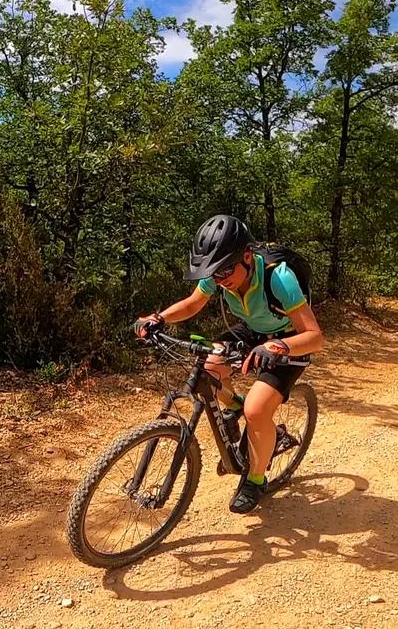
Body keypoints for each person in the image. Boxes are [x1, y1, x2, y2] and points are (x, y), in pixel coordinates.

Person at [134, 215, 323, 514]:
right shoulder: (219, 271)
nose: (219, 279)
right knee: (210, 368)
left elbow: (314, 336)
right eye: (214, 273)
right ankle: (234, 406)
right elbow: (193, 303)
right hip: (253, 330)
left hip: (289, 339)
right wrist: (159, 318)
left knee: (257, 410)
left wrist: (279, 345)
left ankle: (255, 479)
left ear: (247, 257)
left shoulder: (279, 277)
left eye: (224, 271)